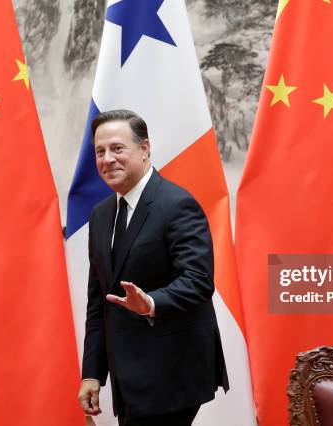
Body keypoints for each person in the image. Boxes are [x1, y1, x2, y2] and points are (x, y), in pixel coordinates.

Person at [77, 109, 228, 426]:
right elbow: (98, 301)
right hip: (128, 377)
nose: (107, 159)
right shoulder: (101, 214)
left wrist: (151, 303)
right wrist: (92, 373)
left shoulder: (176, 204)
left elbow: (199, 280)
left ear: (144, 149)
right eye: (100, 151)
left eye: (117, 148)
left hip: (173, 372)